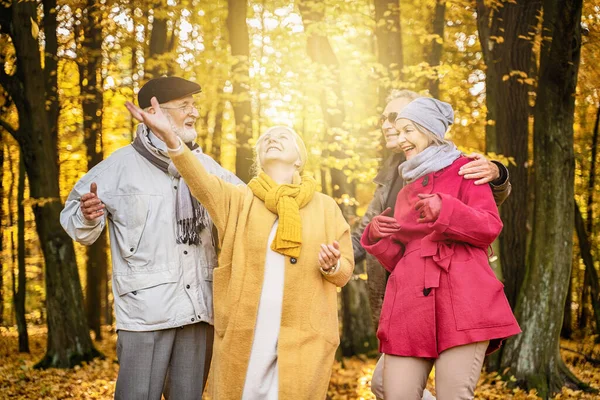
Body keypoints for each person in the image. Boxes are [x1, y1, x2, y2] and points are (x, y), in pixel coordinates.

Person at [125, 96, 355, 399]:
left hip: (304, 337)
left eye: (282, 136)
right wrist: (170, 136)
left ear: (299, 158)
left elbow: (344, 272)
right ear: (259, 157)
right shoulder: (239, 199)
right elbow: (200, 181)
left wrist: (331, 266)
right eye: (267, 139)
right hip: (246, 334)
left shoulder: (325, 207)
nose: (273, 138)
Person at [60, 76, 243, 400]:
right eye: (185, 105)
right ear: (155, 110)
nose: (194, 112)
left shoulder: (206, 167)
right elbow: (75, 223)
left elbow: (247, 208)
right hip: (145, 315)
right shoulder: (118, 168)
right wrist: (88, 216)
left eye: (194, 105)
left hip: (199, 311)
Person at [352, 90, 512, 399]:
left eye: (406, 129)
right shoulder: (399, 187)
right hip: (408, 308)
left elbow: (489, 225)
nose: (399, 137)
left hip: (463, 300)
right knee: (389, 390)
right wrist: (376, 237)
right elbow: (401, 258)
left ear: (429, 129)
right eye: (396, 130)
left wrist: (448, 209)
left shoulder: (467, 169)